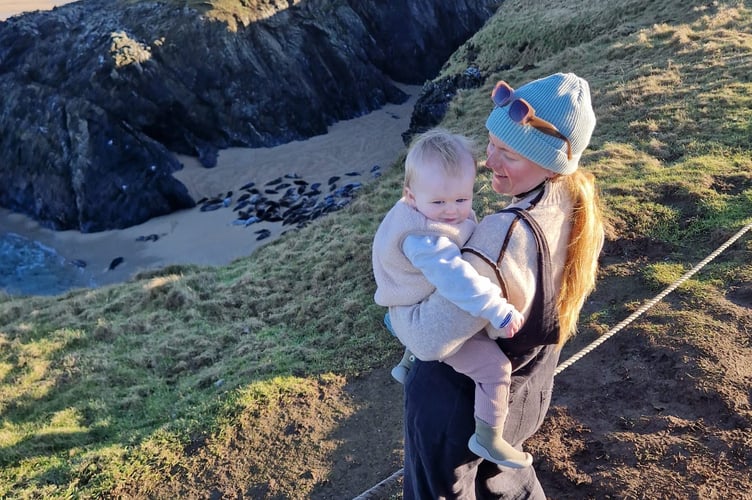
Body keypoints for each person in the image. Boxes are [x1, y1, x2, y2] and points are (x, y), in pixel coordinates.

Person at [387, 72, 605, 498]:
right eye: (491, 144)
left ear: (550, 161)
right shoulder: (572, 203)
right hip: (524, 393)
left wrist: (395, 311)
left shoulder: (501, 235)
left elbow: (431, 341)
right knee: (506, 484)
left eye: (508, 152)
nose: (488, 161)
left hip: (456, 405)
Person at [371, 128, 531, 468]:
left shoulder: (414, 211)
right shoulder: (425, 240)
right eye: (439, 202)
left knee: (420, 309)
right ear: (411, 196)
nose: (451, 212)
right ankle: (488, 437)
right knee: (495, 369)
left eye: (462, 200)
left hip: (404, 301)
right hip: (416, 316)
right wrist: (497, 310)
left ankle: (405, 363)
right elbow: (457, 281)